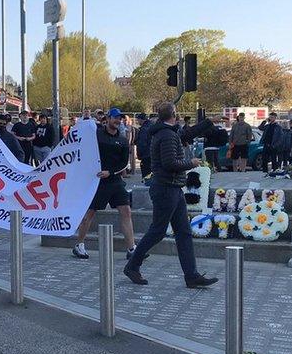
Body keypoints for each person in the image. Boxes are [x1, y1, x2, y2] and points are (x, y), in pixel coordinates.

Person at [123, 102, 218, 289]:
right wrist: (191, 163)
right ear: (174, 114)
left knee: (183, 232)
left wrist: (208, 122)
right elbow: (169, 163)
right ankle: (133, 265)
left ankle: (191, 275)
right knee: (158, 231)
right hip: (166, 188)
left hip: (172, 188)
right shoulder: (167, 135)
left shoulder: (167, 132)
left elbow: (186, 134)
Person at [73, 108, 140, 260]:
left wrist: (110, 172)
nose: (118, 121)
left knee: (126, 211)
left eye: (120, 119)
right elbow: (83, 152)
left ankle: (131, 249)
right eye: (115, 118)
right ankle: (79, 245)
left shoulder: (123, 140)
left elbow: (124, 164)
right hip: (97, 182)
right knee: (89, 214)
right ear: (108, 118)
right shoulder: (95, 135)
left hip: (115, 181)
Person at [135, 113, 153, 178]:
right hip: (152, 154)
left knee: (146, 176)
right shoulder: (152, 126)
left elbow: (141, 143)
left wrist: (139, 155)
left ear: (141, 119)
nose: (137, 121)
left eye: (138, 120)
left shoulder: (144, 129)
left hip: (146, 155)